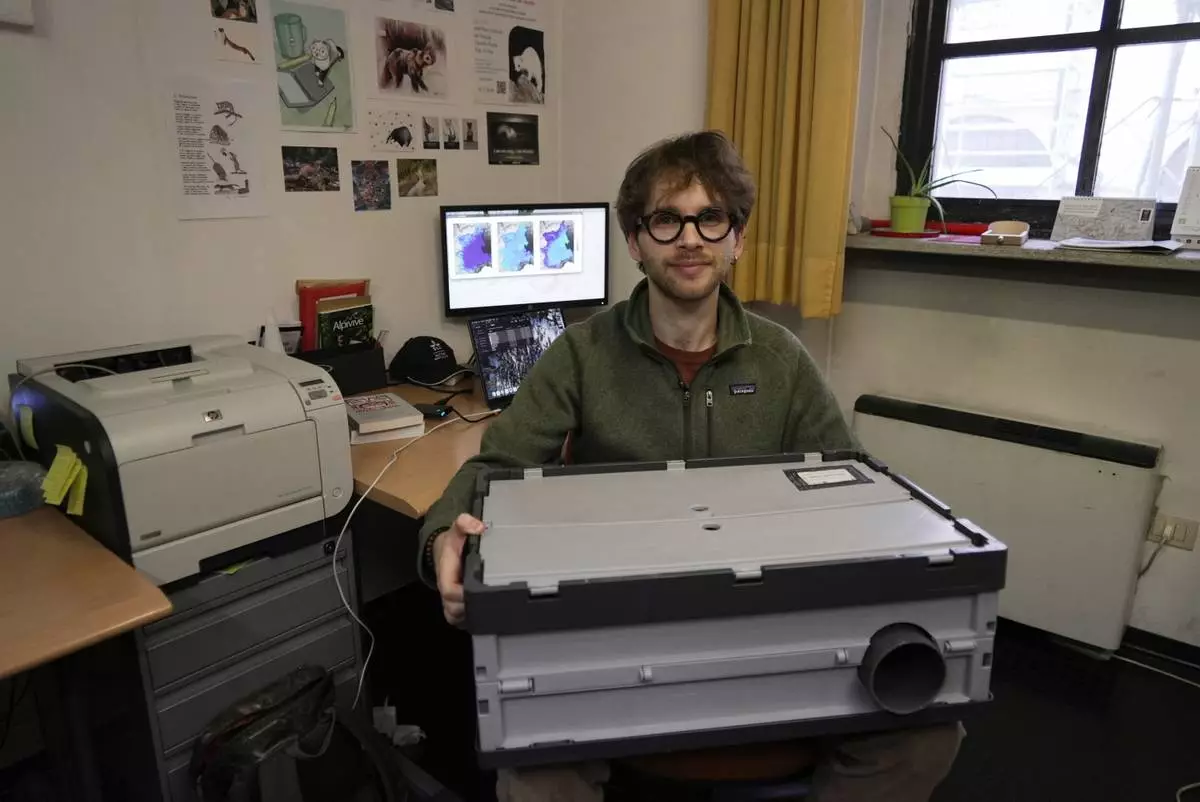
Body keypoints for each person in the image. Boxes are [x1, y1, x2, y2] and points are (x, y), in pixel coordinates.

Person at [416, 131, 963, 802]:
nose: (690, 239)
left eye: (711, 218)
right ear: (635, 241)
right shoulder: (580, 355)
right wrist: (444, 535)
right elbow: (495, 469)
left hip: (766, 629)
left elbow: (852, 479)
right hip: (618, 633)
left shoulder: (781, 359)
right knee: (530, 758)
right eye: (667, 219)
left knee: (929, 733)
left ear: (736, 237)